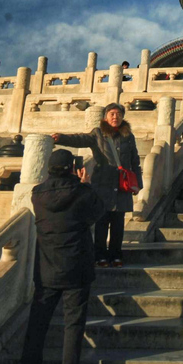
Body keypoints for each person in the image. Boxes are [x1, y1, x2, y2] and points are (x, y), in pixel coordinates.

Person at [18, 149, 105, 364]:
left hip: (46, 267)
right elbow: (98, 211)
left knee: (38, 324)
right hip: (76, 265)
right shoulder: (81, 192)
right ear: (72, 167)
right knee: (73, 323)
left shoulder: (37, 194)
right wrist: (86, 183)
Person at [53, 103, 142, 268]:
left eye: (118, 114)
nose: (115, 117)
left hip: (122, 185)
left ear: (123, 116)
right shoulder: (98, 133)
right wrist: (62, 138)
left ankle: (116, 255)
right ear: (106, 117)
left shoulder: (128, 136)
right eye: (112, 114)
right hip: (103, 183)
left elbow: (134, 160)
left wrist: (138, 183)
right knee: (101, 222)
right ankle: (100, 255)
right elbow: (80, 139)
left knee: (118, 224)